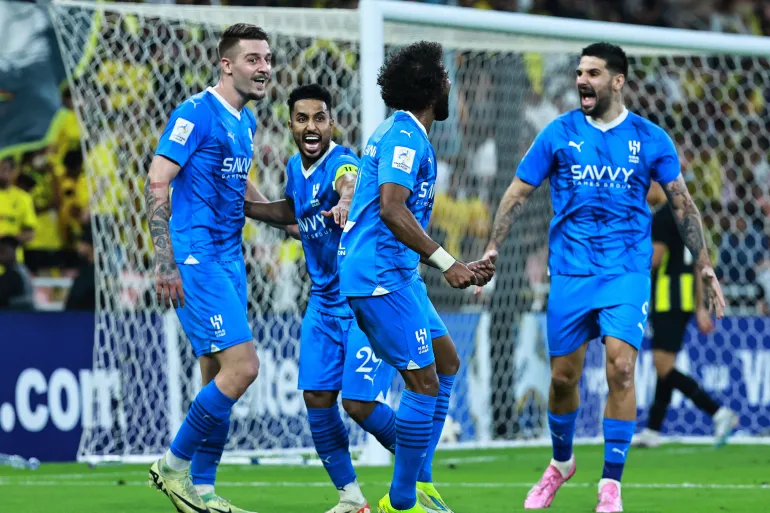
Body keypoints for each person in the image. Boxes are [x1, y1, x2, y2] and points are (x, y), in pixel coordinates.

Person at [477, 42, 725, 512]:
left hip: (626, 272)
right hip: (570, 272)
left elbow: (682, 204)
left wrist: (705, 264)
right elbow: (518, 191)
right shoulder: (558, 132)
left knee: (622, 368)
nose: (581, 81)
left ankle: (610, 483)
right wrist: (493, 245)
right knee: (563, 378)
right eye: (578, 73)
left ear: (617, 80)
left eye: (592, 73)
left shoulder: (650, 138)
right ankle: (561, 463)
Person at [338, 41, 494, 513]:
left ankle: (419, 484)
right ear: (431, 89)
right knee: (422, 383)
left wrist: (455, 264)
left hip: (398, 273)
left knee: (446, 362)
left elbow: (397, 221)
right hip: (380, 278)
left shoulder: (408, 134)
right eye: (445, 79)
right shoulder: (404, 135)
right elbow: (391, 209)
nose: (451, 88)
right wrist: (449, 264)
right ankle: (402, 502)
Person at [244, 83, 398, 513]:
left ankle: (417, 463)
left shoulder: (342, 160)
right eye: (302, 119)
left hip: (362, 301)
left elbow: (348, 182)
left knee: (359, 403)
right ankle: (351, 498)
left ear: (332, 123)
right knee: (316, 397)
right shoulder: (295, 167)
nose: (311, 126)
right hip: (323, 302)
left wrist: (347, 199)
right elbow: (294, 212)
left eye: (319, 118)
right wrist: (246, 205)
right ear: (291, 125)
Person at [144, 23, 273, 513]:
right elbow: (158, 180)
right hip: (196, 259)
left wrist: (287, 219)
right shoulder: (195, 113)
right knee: (244, 368)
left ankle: (203, 489)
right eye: (253, 59)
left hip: (230, 258)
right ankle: (171, 466)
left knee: (216, 376)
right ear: (226, 64)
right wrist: (165, 261)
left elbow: (241, 186)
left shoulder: (245, 121)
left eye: (267, 59)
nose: (263, 68)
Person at [633, 183, 737, 448]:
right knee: (665, 366)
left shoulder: (661, 217)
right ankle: (653, 430)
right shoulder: (682, 214)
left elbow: (655, 259)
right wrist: (699, 307)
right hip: (684, 299)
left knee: (663, 367)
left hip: (667, 299)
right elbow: (697, 265)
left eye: (645, 183)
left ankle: (718, 412)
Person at [0, 235, 34, 310]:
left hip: (19, 313)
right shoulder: (20, 269)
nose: (0, 255)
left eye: (2, 251)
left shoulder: (15, 273)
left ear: (14, 250)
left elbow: (4, 298)